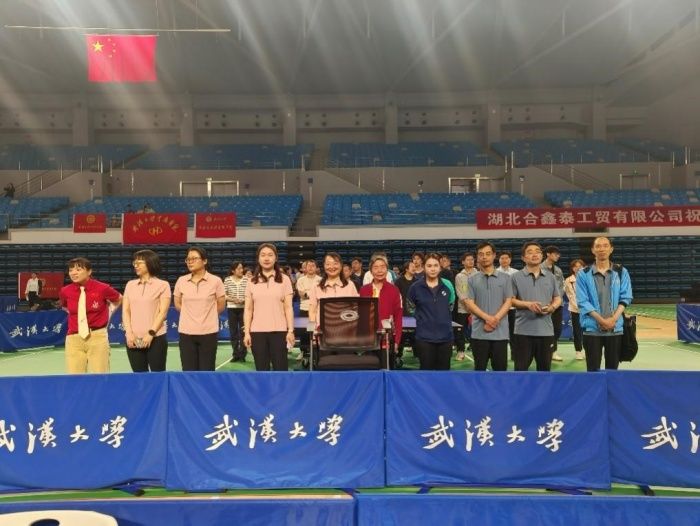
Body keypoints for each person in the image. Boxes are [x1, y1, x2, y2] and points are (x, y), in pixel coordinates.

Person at [576, 237, 633, 372]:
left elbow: (626, 297)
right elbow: (582, 301)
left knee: (612, 370)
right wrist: (602, 321)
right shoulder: (583, 274)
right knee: (592, 370)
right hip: (591, 329)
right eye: (598, 246)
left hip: (615, 329)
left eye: (605, 246)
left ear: (611, 249)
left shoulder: (621, 271)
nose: (602, 249)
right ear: (592, 250)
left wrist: (613, 320)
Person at [59, 258, 121, 374]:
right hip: (74, 339)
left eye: (78, 269)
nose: (73, 273)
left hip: (97, 336)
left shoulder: (102, 288)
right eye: (71, 270)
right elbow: (65, 307)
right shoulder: (65, 291)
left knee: (101, 376)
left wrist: (110, 312)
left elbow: (119, 299)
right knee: (75, 378)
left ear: (89, 271)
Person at [510, 241, 561, 372]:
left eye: (538, 252)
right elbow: (510, 300)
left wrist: (552, 307)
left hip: (546, 331)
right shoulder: (515, 277)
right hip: (522, 332)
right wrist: (528, 304)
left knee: (544, 371)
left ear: (542, 256)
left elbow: (557, 298)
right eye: (530, 252)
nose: (534, 254)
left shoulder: (550, 277)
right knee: (520, 371)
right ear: (523, 257)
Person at [243, 243, 295, 371]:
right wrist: (247, 333)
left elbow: (288, 307)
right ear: (258, 258)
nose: (266, 258)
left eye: (270, 255)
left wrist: (290, 331)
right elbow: (248, 309)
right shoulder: (251, 281)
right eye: (263, 255)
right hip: (257, 333)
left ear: (276, 258)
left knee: (281, 370)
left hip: (279, 332)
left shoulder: (285, 280)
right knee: (261, 370)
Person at [173, 246, 226, 371]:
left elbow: (221, 305)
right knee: (188, 370)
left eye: (194, 258)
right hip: (186, 332)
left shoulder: (216, 281)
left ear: (204, 261)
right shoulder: (181, 281)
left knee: (207, 370)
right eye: (188, 259)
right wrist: (190, 315)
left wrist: (207, 316)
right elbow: (177, 303)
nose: (190, 262)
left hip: (208, 332)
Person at [465, 242, 513, 371]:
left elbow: (508, 301)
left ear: (494, 255)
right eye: (481, 254)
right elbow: (470, 303)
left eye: (488, 254)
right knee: (479, 370)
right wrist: (488, 318)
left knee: (500, 371)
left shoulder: (506, 278)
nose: (484, 257)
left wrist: (495, 319)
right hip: (479, 334)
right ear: (477, 257)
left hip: (500, 334)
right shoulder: (472, 279)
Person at [122, 250, 171, 372]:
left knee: (157, 376)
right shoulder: (130, 285)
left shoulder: (163, 285)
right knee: (139, 377)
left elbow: (162, 313)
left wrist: (150, 334)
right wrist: (129, 333)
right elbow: (126, 311)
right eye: (135, 263)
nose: (136, 265)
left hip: (156, 338)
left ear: (150, 263)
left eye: (139, 263)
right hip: (133, 338)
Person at [407, 253, 455, 370]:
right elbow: (410, 307)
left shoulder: (448, 285)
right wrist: (422, 319)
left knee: (444, 373)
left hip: (446, 337)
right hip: (424, 338)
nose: (432, 269)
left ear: (440, 267)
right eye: (429, 266)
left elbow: (451, 305)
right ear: (424, 267)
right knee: (426, 372)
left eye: (435, 265)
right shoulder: (415, 287)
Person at [359, 253, 403, 364]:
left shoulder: (394, 290)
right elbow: (361, 316)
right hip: (369, 340)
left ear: (387, 270)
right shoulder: (364, 290)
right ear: (370, 271)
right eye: (376, 267)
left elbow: (398, 317)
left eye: (383, 267)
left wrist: (397, 341)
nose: (379, 271)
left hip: (387, 339)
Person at [308, 252, 359, 326]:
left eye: (335, 263)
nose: (331, 267)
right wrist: (311, 331)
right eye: (328, 264)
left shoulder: (350, 285)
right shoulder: (316, 286)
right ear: (324, 266)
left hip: (345, 329)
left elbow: (355, 309)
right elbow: (312, 311)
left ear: (341, 266)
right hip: (322, 330)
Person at [295, 259, 322, 361]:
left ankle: (317, 351)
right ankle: (303, 352)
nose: (310, 267)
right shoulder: (301, 280)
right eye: (308, 266)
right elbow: (302, 295)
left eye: (313, 265)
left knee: (316, 331)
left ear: (316, 268)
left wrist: (308, 293)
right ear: (305, 268)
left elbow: (320, 295)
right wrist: (313, 294)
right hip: (304, 308)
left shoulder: (321, 280)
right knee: (304, 332)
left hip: (317, 309)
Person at [542, 245, 565, 362]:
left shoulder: (558, 270)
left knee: (557, 329)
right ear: (548, 254)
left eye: (558, 254)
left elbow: (561, 287)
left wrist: (556, 300)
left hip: (557, 305)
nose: (557, 256)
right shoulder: (539, 268)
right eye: (555, 254)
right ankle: (543, 352)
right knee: (543, 329)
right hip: (543, 304)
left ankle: (553, 351)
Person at [454, 251, 478, 361]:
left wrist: (474, 308)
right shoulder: (459, 276)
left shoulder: (479, 274)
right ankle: (460, 351)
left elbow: (480, 292)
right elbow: (460, 293)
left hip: (477, 308)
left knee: (476, 330)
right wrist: (469, 306)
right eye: (468, 260)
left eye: (472, 259)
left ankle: (475, 349)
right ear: (463, 262)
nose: (471, 261)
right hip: (462, 308)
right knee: (460, 331)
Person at [224, 261, 248, 362]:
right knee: (233, 332)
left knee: (243, 332)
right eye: (239, 268)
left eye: (242, 268)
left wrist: (244, 300)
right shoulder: (227, 280)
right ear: (233, 270)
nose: (241, 270)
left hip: (244, 309)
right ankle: (235, 354)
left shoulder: (247, 280)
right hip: (231, 308)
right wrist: (233, 299)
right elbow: (224, 294)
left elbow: (250, 294)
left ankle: (242, 355)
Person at [496, 250, 519, 358]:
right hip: (499, 308)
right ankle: (500, 354)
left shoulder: (516, 273)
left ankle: (515, 353)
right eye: (502, 258)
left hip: (513, 307)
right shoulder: (495, 272)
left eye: (506, 258)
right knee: (500, 331)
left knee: (514, 331)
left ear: (510, 259)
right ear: (499, 260)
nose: (504, 260)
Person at [564, 259, 586, 361]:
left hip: (588, 310)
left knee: (587, 331)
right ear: (572, 268)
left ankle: (586, 350)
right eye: (575, 266)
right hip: (575, 310)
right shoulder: (569, 280)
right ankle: (578, 351)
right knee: (577, 331)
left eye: (580, 266)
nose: (578, 268)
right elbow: (570, 295)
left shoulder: (588, 278)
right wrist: (579, 307)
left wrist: (587, 307)